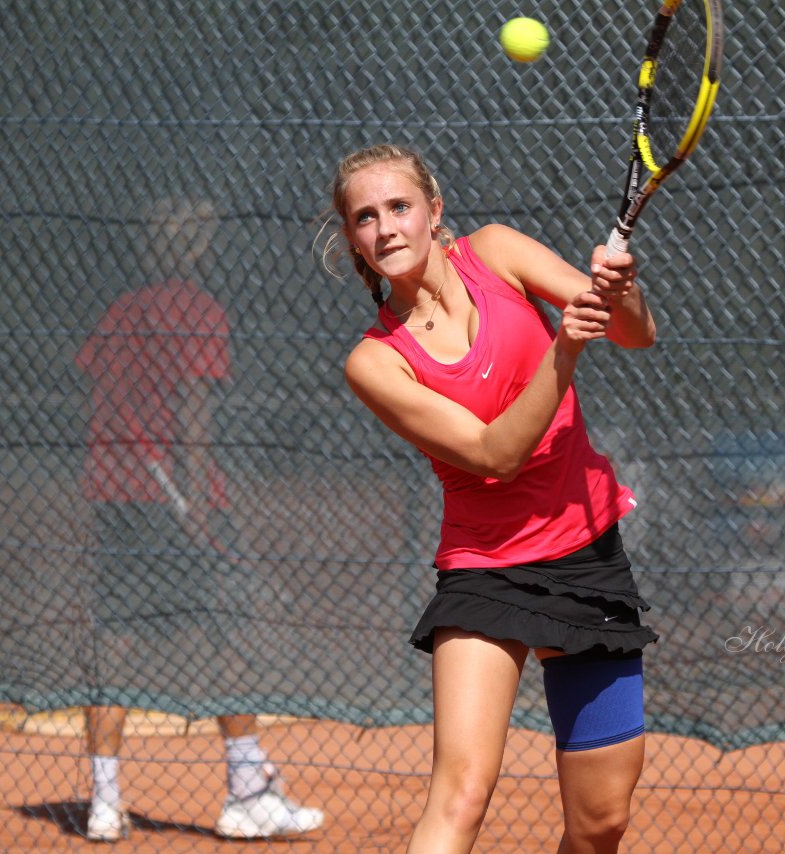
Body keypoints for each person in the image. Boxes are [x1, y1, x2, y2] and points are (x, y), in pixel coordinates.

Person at [330, 144, 659, 854]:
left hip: (586, 554)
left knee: (600, 823)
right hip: (487, 570)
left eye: (399, 207)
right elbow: (493, 456)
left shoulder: (500, 251)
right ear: (351, 238)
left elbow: (636, 333)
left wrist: (622, 289)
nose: (385, 227)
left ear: (434, 212)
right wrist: (561, 353)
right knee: (462, 793)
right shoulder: (375, 360)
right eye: (365, 217)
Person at [75, 197, 323, 842]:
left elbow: (99, 402)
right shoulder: (200, 310)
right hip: (179, 501)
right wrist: (196, 507)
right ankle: (246, 792)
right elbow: (192, 416)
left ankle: (105, 803)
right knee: (229, 643)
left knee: (115, 647)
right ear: (192, 249)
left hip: (115, 498)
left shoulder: (115, 313)